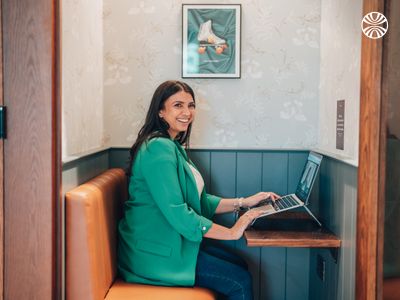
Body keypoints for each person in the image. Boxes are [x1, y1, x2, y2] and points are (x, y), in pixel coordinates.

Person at [118, 80, 279, 300]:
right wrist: (232, 232)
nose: (187, 112)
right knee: (239, 281)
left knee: (239, 263)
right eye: (178, 105)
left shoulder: (171, 146)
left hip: (172, 242)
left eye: (191, 105)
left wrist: (246, 202)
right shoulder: (158, 148)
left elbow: (201, 201)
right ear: (161, 111)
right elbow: (178, 212)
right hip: (155, 254)